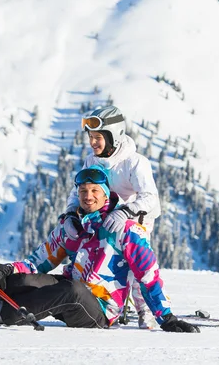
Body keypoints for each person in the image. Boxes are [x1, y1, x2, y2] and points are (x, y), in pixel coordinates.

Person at [0, 166, 198, 333]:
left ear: (106, 195)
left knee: (71, 291)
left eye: (94, 191)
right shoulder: (74, 228)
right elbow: (36, 262)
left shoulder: (125, 230)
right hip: (70, 288)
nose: (87, 197)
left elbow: (148, 274)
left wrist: (166, 318)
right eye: (82, 192)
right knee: (21, 280)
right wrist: (3, 270)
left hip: (100, 310)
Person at [63, 105, 161, 329]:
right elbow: (76, 190)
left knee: (136, 268)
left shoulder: (135, 162)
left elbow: (150, 199)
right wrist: (70, 213)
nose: (93, 143)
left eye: (98, 137)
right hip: (102, 222)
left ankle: (146, 311)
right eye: (91, 137)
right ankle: (100, 301)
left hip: (135, 222)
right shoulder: (92, 161)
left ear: (114, 136)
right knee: (91, 262)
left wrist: (125, 211)